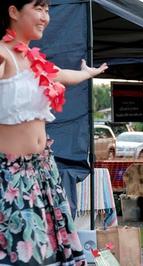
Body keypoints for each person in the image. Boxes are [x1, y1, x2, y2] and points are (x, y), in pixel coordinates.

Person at [0, 0, 107, 264]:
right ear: (13, 11)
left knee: (51, 251)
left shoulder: (33, 60)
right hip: (11, 177)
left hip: (44, 173)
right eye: (38, 8)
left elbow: (61, 75)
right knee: (25, 253)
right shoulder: (3, 54)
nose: (45, 16)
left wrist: (86, 74)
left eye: (48, 9)